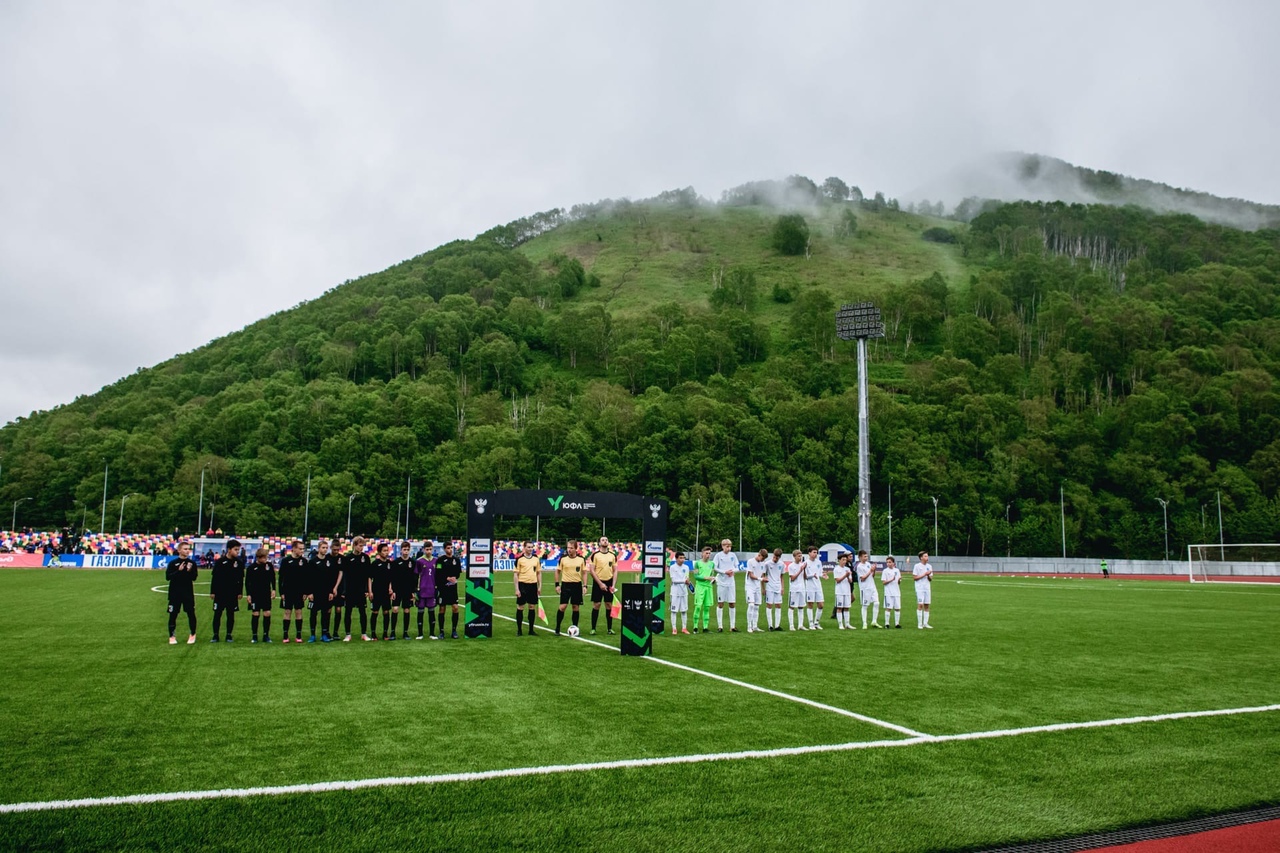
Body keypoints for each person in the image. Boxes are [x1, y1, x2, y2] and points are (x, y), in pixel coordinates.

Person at [339, 537, 373, 642]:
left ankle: (364, 634)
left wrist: (368, 590)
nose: (361, 548)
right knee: (348, 612)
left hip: (361, 590)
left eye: (363, 545)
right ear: (354, 545)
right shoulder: (348, 558)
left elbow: (368, 576)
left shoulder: (366, 558)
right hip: (350, 590)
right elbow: (344, 576)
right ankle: (348, 634)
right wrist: (344, 590)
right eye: (360, 545)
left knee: (362, 612)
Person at [209, 540, 244, 642]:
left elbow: (241, 579)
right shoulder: (220, 562)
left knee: (230, 614)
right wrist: (213, 591)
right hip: (220, 592)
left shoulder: (239, 563)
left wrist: (240, 592)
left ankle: (229, 635)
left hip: (232, 593)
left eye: (238, 550)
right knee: (217, 614)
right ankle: (215, 635)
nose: (237, 552)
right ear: (229, 550)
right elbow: (214, 578)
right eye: (235, 549)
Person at [166, 541, 199, 644]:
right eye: (185, 549)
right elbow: (168, 577)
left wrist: (189, 571)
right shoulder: (173, 563)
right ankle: (172, 636)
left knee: (191, 613)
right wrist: (178, 571)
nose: (187, 550)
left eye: (188, 549)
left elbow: (194, 578)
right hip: (175, 593)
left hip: (187, 593)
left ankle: (192, 634)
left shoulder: (192, 563)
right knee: (173, 614)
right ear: (179, 550)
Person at [307, 538, 340, 642]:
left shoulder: (329, 562)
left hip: (326, 592)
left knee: (325, 613)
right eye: (323, 548)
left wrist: (331, 591)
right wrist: (309, 592)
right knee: (313, 613)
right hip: (315, 593)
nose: (325, 550)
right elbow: (308, 578)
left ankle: (324, 634)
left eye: (326, 548)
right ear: (318, 549)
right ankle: (312, 635)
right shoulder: (312, 562)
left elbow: (331, 578)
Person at [245, 547, 277, 643]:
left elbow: (273, 578)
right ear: (258, 558)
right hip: (255, 594)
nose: (265, 559)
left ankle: (266, 635)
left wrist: (274, 589)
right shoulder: (251, 568)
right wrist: (249, 594)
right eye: (263, 558)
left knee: (267, 613)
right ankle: (254, 636)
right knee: (256, 613)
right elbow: (247, 582)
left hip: (266, 593)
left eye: (266, 557)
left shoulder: (269, 566)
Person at [278, 540, 307, 643]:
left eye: (303, 549)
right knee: (287, 612)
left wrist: (305, 592)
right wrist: (281, 592)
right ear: (294, 549)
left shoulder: (304, 561)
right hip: (288, 591)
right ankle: (285, 635)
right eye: (300, 549)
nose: (302, 551)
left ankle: (298, 636)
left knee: (299, 612)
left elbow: (306, 578)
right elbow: (281, 578)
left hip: (299, 592)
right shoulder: (286, 561)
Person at [587, 536, 618, 636]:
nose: (605, 541)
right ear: (599, 543)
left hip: (609, 582)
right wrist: (600, 583)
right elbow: (591, 570)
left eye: (606, 540)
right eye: (603, 540)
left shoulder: (613, 555)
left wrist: (613, 585)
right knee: (597, 605)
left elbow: (615, 570)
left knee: (609, 605)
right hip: (598, 582)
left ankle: (609, 629)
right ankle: (593, 628)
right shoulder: (595, 555)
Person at [554, 540, 586, 636]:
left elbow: (584, 573)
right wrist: (557, 585)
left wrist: (585, 585)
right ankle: (557, 627)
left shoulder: (581, 559)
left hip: (577, 585)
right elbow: (557, 571)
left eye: (571, 548)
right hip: (566, 585)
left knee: (575, 607)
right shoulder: (563, 559)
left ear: (576, 548)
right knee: (563, 606)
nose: (569, 550)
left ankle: (575, 627)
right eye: (568, 548)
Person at [435, 540, 463, 639]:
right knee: (442, 609)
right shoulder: (440, 560)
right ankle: (441, 631)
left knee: (455, 607)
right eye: (448, 548)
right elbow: (438, 574)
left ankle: (454, 631)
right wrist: (446, 578)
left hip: (453, 589)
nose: (450, 550)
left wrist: (455, 578)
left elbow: (458, 574)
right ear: (444, 549)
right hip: (443, 588)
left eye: (451, 548)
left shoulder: (457, 560)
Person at [390, 541, 417, 640]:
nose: (406, 551)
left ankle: (405, 633)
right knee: (395, 609)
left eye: (407, 549)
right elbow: (392, 578)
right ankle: (392, 632)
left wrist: (413, 591)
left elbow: (415, 578)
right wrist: (392, 590)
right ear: (401, 550)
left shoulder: (413, 562)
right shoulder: (396, 562)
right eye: (404, 549)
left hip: (408, 591)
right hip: (397, 590)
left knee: (406, 610)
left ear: (409, 550)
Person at [514, 541, 541, 636]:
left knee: (532, 607)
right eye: (528, 547)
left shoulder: (536, 559)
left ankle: (531, 630)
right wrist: (517, 589)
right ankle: (519, 630)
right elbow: (516, 574)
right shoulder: (519, 559)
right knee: (520, 607)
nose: (530, 549)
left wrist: (539, 586)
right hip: (522, 585)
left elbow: (538, 573)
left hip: (533, 585)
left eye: (531, 547)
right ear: (524, 547)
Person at [369, 542, 394, 640]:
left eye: (387, 550)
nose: (386, 552)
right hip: (376, 591)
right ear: (379, 552)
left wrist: (390, 588)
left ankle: (385, 633)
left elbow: (391, 578)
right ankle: (373, 633)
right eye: (384, 551)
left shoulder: (389, 564)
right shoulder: (375, 564)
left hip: (385, 592)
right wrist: (370, 591)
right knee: (375, 612)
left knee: (386, 612)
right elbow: (370, 578)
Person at [712, 539, 738, 633]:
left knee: (732, 603)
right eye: (727, 546)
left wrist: (733, 571)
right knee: (720, 603)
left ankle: (732, 626)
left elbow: (737, 567)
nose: (729, 548)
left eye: (730, 546)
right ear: (722, 546)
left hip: (731, 583)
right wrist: (724, 572)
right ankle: (720, 626)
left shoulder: (733, 555)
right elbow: (714, 567)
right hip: (721, 583)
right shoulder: (718, 556)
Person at [414, 540, 438, 640]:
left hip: (432, 590)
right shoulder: (419, 561)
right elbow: (416, 576)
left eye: (430, 549)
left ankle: (432, 633)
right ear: (424, 550)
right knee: (421, 612)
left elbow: (438, 575)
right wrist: (416, 590)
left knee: (431, 612)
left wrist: (437, 588)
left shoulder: (436, 561)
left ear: (432, 549)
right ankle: (420, 634)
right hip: (422, 590)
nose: (428, 551)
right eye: (427, 549)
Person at [691, 545, 716, 633]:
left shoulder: (712, 564)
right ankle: (695, 627)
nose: (708, 555)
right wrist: (706, 578)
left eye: (709, 553)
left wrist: (713, 580)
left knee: (707, 607)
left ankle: (705, 628)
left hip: (708, 588)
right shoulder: (697, 563)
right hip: (700, 587)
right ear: (702, 553)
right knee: (698, 607)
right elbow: (696, 576)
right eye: (706, 553)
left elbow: (712, 575)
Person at [667, 550, 691, 634]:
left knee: (684, 610)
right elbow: (673, 580)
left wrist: (687, 582)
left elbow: (687, 578)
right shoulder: (673, 567)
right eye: (680, 558)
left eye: (683, 558)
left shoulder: (686, 567)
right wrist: (684, 581)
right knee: (674, 611)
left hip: (684, 592)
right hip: (675, 592)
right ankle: (674, 628)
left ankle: (684, 628)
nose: (682, 559)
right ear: (676, 559)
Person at [803, 546, 826, 630]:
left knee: (821, 605)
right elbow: (804, 576)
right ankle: (811, 623)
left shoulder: (818, 562)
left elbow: (819, 573)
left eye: (816, 552)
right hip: (810, 586)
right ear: (809, 553)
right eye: (813, 552)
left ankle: (816, 622)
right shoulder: (805, 563)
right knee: (810, 604)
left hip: (818, 586)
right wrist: (812, 575)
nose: (815, 554)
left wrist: (823, 575)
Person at [744, 548, 767, 633]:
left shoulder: (763, 564)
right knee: (751, 605)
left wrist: (763, 588)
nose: (763, 560)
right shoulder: (750, 561)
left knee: (757, 607)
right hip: (750, 586)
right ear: (759, 555)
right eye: (763, 558)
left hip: (757, 586)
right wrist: (761, 579)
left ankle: (755, 626)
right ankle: (749, 626)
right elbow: (751, 575)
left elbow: (762, 575)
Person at [763, 548, 786, 632]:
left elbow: (782, 577)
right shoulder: (767, 564)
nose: (775, 559)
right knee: (769, 605)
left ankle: (777, 625)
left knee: (778, 605)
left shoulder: (782, 564)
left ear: (780, 557)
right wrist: (763, 588)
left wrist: (782, 587)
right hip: (769, 587)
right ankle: (770, 625)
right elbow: (763, 575)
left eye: (777, 557)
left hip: (778, 587)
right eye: (774, 557)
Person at [857, 549, 880, 629]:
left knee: (877, 603)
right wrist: (870, 571)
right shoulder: (859, 566)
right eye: (864, 556)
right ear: (860, 557)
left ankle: (874, 621)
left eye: (867, 556)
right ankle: (864, 623)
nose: (866, 558)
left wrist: (874, 570)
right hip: (865, 588)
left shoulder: (868, 564)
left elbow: (872, 576)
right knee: (865, 605)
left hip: (872, 586)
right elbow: (862, 578)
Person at [832, 551, 853, 630]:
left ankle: (847, 624)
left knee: (847, 607)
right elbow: (837, 580)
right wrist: (845, 575)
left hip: (847, 590)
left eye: (845, 560)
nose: (845, 561)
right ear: (839, 560)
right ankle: (840, 624)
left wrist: (848, 576)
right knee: (839, 608)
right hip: (839, 591)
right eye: (843, 560)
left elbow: (850, 581)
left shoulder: (847, 569)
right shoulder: (836, 569)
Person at [787, 550, 807, 631]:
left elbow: (805, 577)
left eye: (801, 556)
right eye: (798, 556)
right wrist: (800, 570)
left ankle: (800, 625)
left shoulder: (802, 565)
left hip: (802, 588)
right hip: (794, 589)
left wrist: (804, 569)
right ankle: (791, 625)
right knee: (792, 607)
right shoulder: (791, 566)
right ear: (794, 557)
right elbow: (792, 578)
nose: (800, 557)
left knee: (801, 607)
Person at [913, 550, 933, 629]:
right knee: (920, 605)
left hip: (927, 588)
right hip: (920, 588)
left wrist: (928, 575)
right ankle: (919, 624)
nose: (927, 557)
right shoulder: (917, 566)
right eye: (925, 556)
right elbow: (915, 578)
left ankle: (925, 623)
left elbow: (931, 579)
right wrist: (924, 574)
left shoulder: (929, 566)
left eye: (927, 556)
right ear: (921, 558)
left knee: (927, 605)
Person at [881, 555, 902, 628]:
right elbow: (883, 582)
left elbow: (898, 582)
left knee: (897, 608)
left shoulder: (897, 570)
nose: (888, 564)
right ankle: (887, 623)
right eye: (887, 562)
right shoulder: (885, 571)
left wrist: (899, 580)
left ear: (893, 563)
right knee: (888, 608)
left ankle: (897, 623)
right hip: (888, 593)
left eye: (890, 562)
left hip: (896, 592)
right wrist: (891, 580)